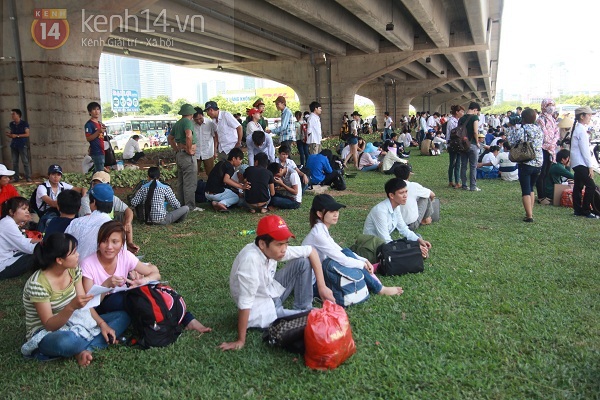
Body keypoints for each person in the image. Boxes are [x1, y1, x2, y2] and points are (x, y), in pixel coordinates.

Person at [219, 215, 335, 351]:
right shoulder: (250, 260)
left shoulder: (272, 250)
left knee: (302, 261)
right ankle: (304, 314)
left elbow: (311, 251)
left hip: (270, 291)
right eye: (280, 244)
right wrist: (240, 340)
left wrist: (322, 286)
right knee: (312, 317)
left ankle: (303, 307)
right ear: (262, 244)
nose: (284, 249)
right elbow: (245, 302)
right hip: (260, 307)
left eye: (286, 243)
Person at [81, 221, 211, 334]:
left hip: (126, 296)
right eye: (104, 241)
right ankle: (164, 322)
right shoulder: (88, 264)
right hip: (102, 305)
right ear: (99, 242)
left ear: (122, 244)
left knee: (157, 291)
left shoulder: (124, 256)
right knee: (136, 299)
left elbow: (155, 273)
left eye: (115, 242)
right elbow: (88, 303)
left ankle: (187, 319)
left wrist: (143, 280)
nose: (109, 247)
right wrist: (106, 285)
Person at [21, 232, 130, 366]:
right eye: (73, 253)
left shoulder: (73, 270)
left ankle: (83, 350)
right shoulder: (38, 284)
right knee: (66, 342)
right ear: (59, 260)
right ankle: (83, 348)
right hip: (47, 332)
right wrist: (71, 307)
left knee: (123, 317)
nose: (78, 255)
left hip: (75, 322)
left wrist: (102, 324)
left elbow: (86, 305)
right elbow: (49, 324)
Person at [303, 194, 403, 297]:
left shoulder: (321, 230)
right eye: (332, 211)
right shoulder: (318, 234)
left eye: (337, 211)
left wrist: (363, 260)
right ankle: (379, 289)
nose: (336, 214)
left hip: (320, 277)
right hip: (314, 285)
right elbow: (342, 259)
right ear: (319, 213)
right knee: (343, 259)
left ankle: (376, 285)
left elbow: (339, 250)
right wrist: (362, 264)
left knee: (346, 252)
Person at [363, 178, 432, 258]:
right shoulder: (380, 211)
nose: (405, 196)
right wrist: (413, 248)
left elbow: (403, 228)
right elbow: (386, 240)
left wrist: (419, 240)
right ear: (391, 195)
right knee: (410, 245)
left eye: (406, 192)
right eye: (401, 193)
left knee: (417, 236)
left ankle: (416, 251)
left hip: (385, 243)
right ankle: (415, 252)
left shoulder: (396, 207)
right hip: (373, 247)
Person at [78, 171, 137, 251]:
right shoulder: (87, 199)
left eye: (100, 184)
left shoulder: (112, 198)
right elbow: (89, 219)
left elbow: (128, 210)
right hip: (98, 229)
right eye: (94, 184)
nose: (96, 186)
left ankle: (129, 243)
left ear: (108, 185)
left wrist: (128, 222)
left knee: (125, 221)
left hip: (108, 226)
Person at [66, 183, 124, 260]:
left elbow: (64, 249)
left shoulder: (75, 223)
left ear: (93, 202)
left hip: (75, 270)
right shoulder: (116, 229)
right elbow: (122, 258)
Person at [507, 108, 544, 222]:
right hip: (538, 161)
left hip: (526, 161)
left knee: (525, 190)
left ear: (522, 118)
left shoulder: (521, 129)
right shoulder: (539, 129)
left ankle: (529, 216)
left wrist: (512, 128)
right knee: (531, 188)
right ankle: (530, 211)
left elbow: (512, 142)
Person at [168, 103, 202, 212]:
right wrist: (188, 149)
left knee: (181, 181)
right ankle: (190, 206)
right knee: (190, 182)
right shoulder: (187, 122)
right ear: (190, 113)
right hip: (187, 156)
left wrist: (177, 149)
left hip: (180, 155)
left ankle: (182, 204)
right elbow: (188, 135)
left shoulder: (178, 123)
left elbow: (170, 138)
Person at [35, 164, 86, 233]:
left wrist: (83, 197)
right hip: (47, 212)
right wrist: (71, 202)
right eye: (53, 174)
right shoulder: (42, 188)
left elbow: (82, 189)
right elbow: (52, 203)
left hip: (61, 210)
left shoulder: (62, 185)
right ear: (48, 175)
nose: (56, 177)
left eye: (58, 175)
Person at [0, 197, 41, 279]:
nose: (27, 212)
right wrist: (45, 246)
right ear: (11, 212)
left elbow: (22, 241)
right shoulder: (8, 224)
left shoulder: (7, 221)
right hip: (2, 267)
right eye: (23, 209)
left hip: (8, 257)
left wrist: (38, 241)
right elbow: (25, 246)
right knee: (35, 254)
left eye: (27, 209)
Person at [569, 106, 598, 218]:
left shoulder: (578, 129)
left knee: (578, 186)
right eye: (589, 115)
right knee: (591, 186)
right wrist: (590, 167)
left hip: (577, 162)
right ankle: (585, 210)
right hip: (581, 163)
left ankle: (578, 209)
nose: (590, 117)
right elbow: (585, 151)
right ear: (582, 116)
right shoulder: (580, 130)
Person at [393, 164, 437, 231]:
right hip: (410, 225)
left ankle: (424, 218)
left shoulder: (391, 186)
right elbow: (432, 195)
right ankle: (425, 219)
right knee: (425, 197)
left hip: (395, 224)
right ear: (409, 174)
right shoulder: (413, 186)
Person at [205, 148, 248, 212]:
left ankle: (214, 202)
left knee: (229, 191)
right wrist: (241, 187)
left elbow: (228, 180)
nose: (240, 162)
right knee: (236, 197)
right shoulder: (230, 167)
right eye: (240, 159)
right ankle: (222, 203)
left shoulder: (221, 163)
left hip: (207, 193)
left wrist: (238, 185)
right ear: (233, 159)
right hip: (216, 193)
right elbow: (226, 180)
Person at [536, 99, 560, 203]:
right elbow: (544, 134)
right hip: (543, 149)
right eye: (549, 105)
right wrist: (550, 144)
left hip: (551, 150)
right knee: (541, 173)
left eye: (553, 105)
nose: (551, 107)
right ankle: (541, 197)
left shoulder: (553, 120)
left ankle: (544, 195)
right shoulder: (541, 119)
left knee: (546, 173)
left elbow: (557, 133)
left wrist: (553, 144)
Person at [459, 102, 482, 191]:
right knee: (473, 166)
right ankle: (473, 186)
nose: (477, 114)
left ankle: (464, 185)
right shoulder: (475, 118)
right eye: (477, 112)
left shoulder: (461, 118)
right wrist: (477, 142)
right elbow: (475, 132)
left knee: (463, 165)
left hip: (462, 144)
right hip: (472, 144)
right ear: (475, 109)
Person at [4, 109, 32, 182]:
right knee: (15, 162)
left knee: (25, 161)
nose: (12, 116)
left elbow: (27, 134)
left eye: (13, 114)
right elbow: (12, 133)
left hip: (22, 145)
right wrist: (10, 134)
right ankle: (16, 178)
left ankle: (28, 177)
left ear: (18, 115)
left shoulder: (24, 124)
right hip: (14, 145)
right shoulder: (11, 124)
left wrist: (16, 136)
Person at [193, 108, 217, 176]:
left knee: (211, 174)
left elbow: (215, 138)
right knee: (194, 174)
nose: (198, 121)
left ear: (203, 115)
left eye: (200, 118)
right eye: (196, 119)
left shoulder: (210, 123)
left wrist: (215, 151)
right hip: (195, 153)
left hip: (208, 152)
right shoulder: (191, 124)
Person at [84, 102, 106, 173]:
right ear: (90, 112)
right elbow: (88, 138)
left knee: (98, 172)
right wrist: (98, 131)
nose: (96, 111)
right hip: (96, 152)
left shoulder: (100, 123)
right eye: (94, 109)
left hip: (102, 151)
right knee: (99, 173)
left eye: (98, 109)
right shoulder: (89, 124)